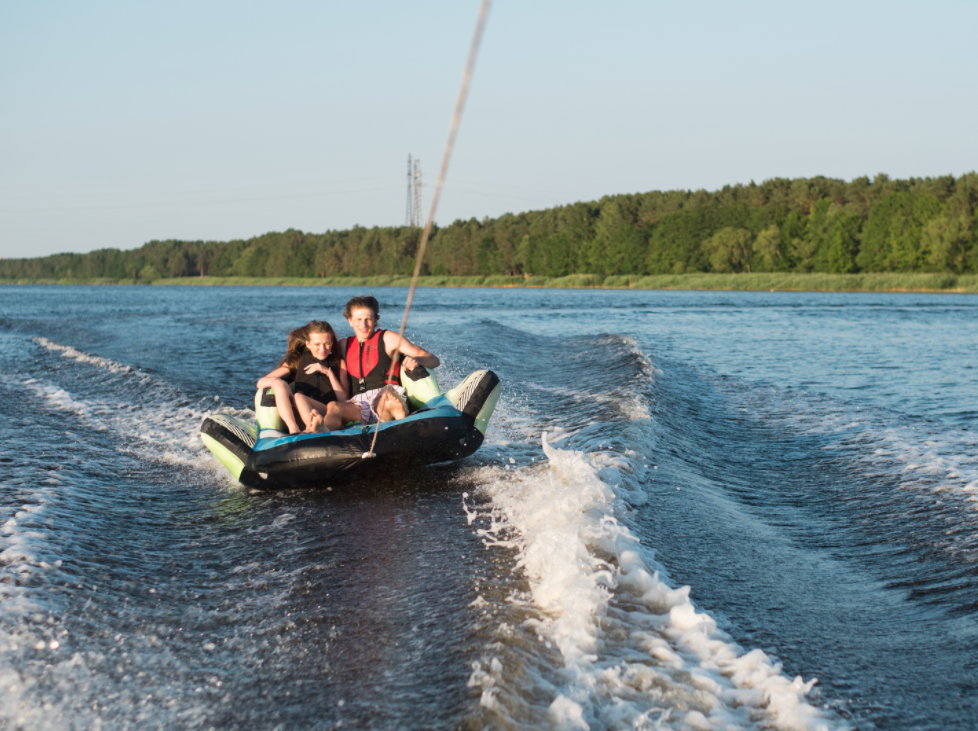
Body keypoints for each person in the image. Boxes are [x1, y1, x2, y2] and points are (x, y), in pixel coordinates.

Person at [307, 295, 439, 433]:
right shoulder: (343, 345)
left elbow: (434, 360)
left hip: (387, 393)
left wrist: (417, 360)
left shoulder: (389, 338)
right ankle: (323, 430)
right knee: (334, 407)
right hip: (358, 404)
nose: (363, 325)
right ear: (350, 320)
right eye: (358, 320)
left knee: (387, 401)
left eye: (368, 319)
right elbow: (319, 353)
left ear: (376, 320)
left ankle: (399, 416)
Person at [291, 320, 349, 431]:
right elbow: (267, 379)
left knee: (298, 396)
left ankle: (310, 429)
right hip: (301, 410)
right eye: (317, 344)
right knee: (297, 397)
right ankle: (310, 426)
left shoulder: (339, 363)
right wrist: (272, 382)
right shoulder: (299, 360)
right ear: (308, 344)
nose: (323, 349)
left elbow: (344, 400)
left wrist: (329, 373)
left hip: (328, 412)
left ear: (331, 342)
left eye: (327, 344)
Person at [256, 325, 309, 434]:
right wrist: (274, 382)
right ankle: (293, 428)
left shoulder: (324, 363)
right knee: (279, 384)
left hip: (308, 405)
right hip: (298, 404)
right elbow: (260, 382)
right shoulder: (292, 364)